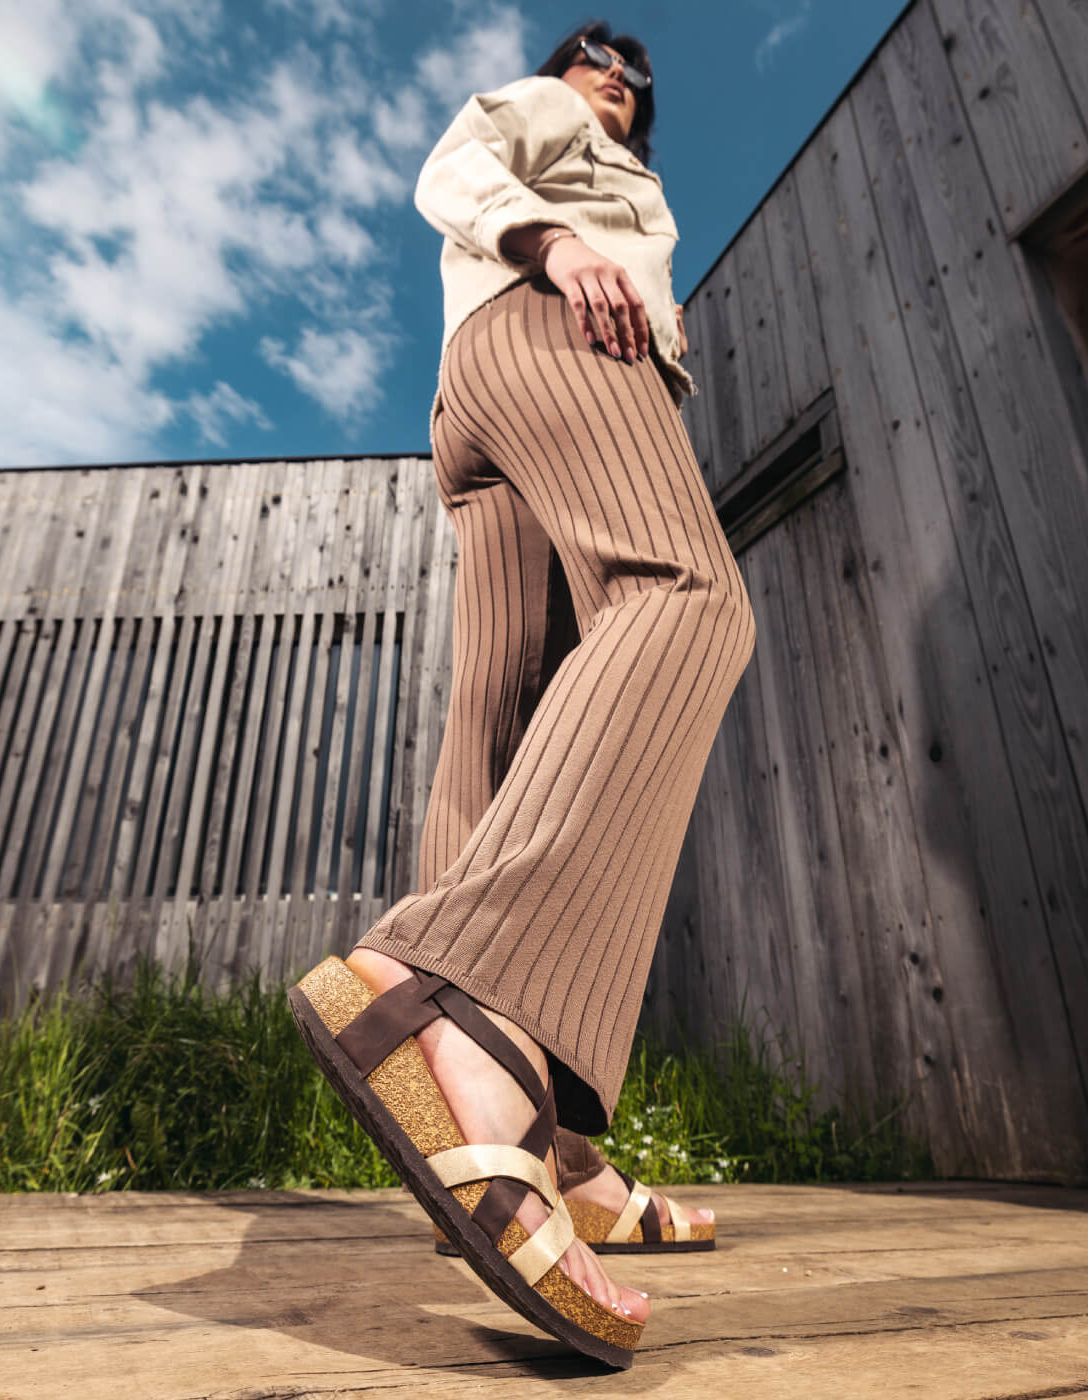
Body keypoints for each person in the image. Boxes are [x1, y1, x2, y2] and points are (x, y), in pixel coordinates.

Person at [288, 21, 755, 1369]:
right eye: (599, 54)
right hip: (556, 330)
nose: (620, 76)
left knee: (505, 715)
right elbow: (458, 162)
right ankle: (471, 1016)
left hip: (478, 389)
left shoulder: (608, 154)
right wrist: (557, 243)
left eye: (636, 73)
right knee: (685, 596)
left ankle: (537, 1144)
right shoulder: (559, 125)